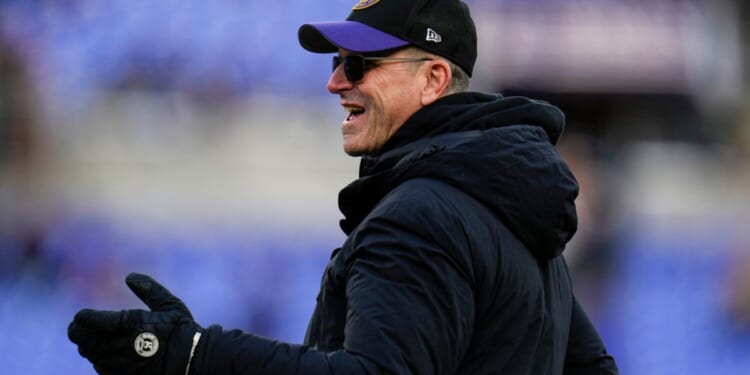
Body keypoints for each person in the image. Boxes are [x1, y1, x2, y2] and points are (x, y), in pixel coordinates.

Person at [68, 0, 619, 373]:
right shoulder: (517, 216)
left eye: (360, 64)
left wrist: (194, 356)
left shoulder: (421, 215)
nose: (335, 82)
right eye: (337, 62)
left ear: (433, 79)